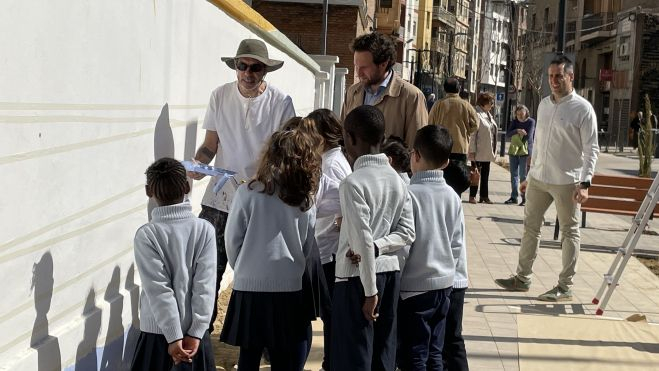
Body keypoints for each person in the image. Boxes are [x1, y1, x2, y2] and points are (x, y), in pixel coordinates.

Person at [188, 39, 295, 332]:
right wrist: (198, 164)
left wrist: (262, 181)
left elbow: (284, 153)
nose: (248, 73)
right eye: (242, 66)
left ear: (265, 70)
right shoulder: (219, 96)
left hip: (261, 200)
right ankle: (200, 334)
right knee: (206, 267)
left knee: (258, 273)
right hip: (219, 198)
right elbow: (210, 145)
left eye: (255, 67)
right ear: (235, 67)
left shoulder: (281, 102)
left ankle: (260, 340)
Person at [494, 55, 599, 302]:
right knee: (530, 227)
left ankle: (565, 286)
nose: (553, 80)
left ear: (571, 77)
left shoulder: (583, 109)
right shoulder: (543, 105)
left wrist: (585, 183)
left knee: (569, 232)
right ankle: (522, 279)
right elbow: (538, 144)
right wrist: (529, 176)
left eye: (559, 76)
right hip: (539, 179)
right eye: (550, 76)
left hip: (567, 181)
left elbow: (592, 148)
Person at [220, 127, 320, 371]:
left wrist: (244, 267)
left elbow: (232, 239)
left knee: (250, 352)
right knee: (284, 354)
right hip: (289, 285)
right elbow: (307, 246)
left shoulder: (248, 192)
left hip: (250, 285)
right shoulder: (305, 200)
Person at [331, 105, 415, 371]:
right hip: (390, 274)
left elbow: (364, 240)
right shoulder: (398, 179)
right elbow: (406, 233)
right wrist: (380, 247)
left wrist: (370, 293)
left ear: (351, 138)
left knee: (354, 359)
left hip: (358, 280)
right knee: (383, 356)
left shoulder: (353, 183)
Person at [131, 158, 217, 370]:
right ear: (187, 187)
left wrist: (173, 338)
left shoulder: (147, 235)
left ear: (148, 191)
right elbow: (205, 287)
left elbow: (159, 291)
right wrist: (196, 332)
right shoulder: (204, 230)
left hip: (158, 336)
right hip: (194, 341)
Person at [398, 125, 466, 371]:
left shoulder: (409, 194)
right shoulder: (452, 195)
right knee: (435, 353)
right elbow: (456, 243)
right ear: (447, 162)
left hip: (413, 288)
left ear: (414, 155)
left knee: (414, 355)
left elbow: (403, 244)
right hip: (444, 284)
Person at [341, 32, 428, 148]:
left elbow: (416, 149)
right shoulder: (352, 92)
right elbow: (343, 136)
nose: (358, 73)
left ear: (383, 64)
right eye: (356, 66)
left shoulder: (411, 97)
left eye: (364, 67)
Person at [428, 78, 479, 196]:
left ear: (444, 89)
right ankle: (456, 202)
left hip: (441, 146)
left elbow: (430, 123)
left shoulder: (438, 104)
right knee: (458, 179)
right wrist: (465, 132)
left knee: (441, 178)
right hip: (460, 147)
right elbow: (476, 125)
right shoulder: (466, 105)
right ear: (459, 89)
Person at [468, 92, 498, 204]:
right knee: (475, 174)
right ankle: (472, 196)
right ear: (484, 103)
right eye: (491, 102)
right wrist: (472, 151)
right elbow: (473, 135)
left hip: (487, 150)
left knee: (485, 174)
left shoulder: (487, 114)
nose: (492, 105)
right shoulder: (477, 114)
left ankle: (484, 196)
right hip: (478, 150)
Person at [505, 105, 535, 206]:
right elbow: (508, 134)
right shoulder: (514, 122)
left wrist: (520, 135)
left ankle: (524, 197)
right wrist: (518, 131)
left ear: (526, 113)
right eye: (517, 114)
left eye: (521, 114)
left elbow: (529, 136)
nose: (519, 116)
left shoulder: (531, 122)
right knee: (513, 174)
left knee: (523, 175)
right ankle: (514, 197)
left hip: (525, 152)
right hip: (514, 151)